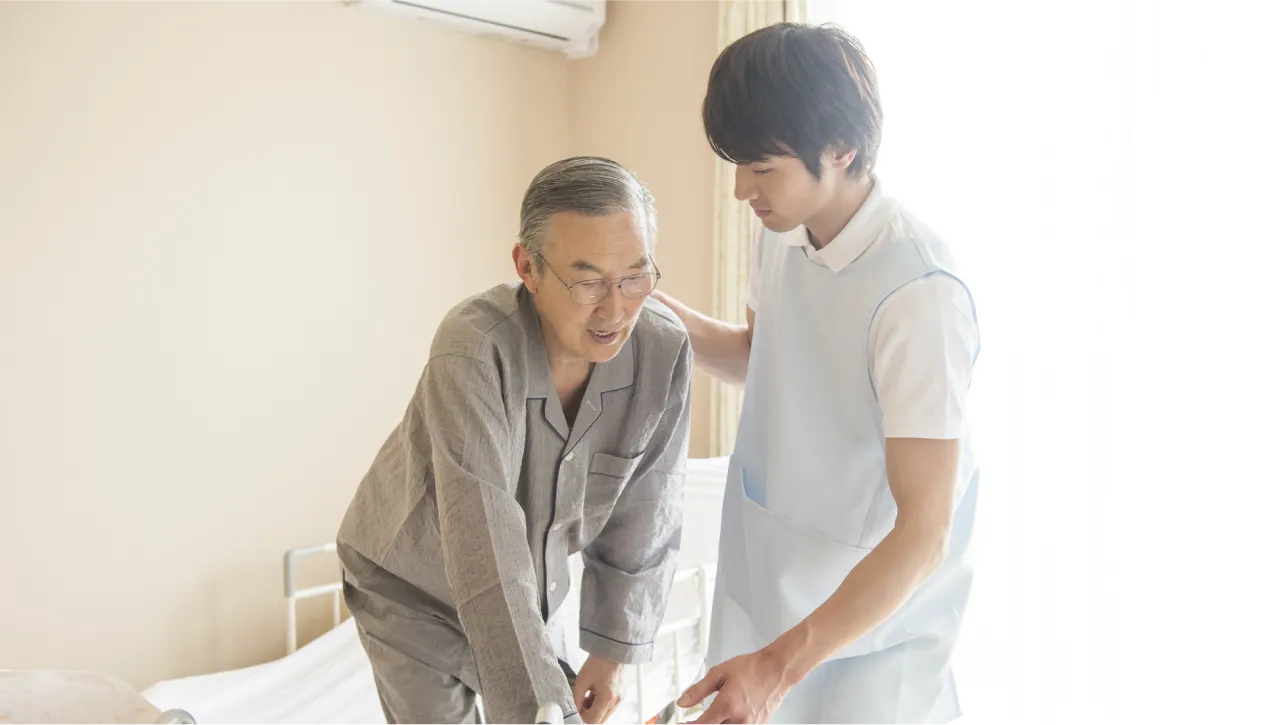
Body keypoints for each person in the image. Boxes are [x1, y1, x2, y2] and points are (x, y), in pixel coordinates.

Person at [653, 22, 982, 725]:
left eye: (761, 168)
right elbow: (763, 356)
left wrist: (777, 668)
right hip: (766, 582)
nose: (742, 188)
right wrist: (646, 310)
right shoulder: (779, 231)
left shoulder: (919, 294)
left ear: (841, 149)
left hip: (871, 634)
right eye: (737, 164)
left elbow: (924, 532)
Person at [336, 156, 694, 725]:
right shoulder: (475, 349)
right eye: (588, 280)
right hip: (411, 589)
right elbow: (485, 543)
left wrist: (611, 653)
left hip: (526, 590)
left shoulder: (663, 351)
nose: (616, 307)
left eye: (636, 275)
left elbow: (647, 514)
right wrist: (545, 708)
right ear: (528, 267)